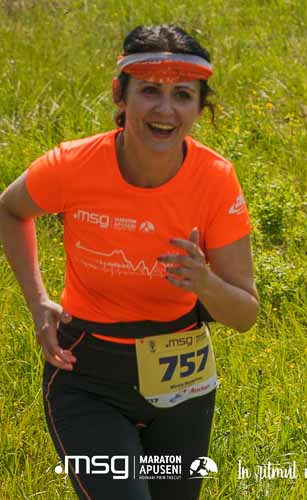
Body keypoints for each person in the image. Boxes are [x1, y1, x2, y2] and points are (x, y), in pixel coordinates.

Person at [0, 24, 259, 500]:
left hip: (183, 381)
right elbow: (10, 209)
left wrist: (204, 282)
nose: (165, 110)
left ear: (200, 107)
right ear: (120, 95)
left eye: (183, 95)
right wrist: (38, 302)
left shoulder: (216, 179)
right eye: (150, 91)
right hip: (87, 374)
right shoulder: (73, 165)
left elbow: (245, 314)